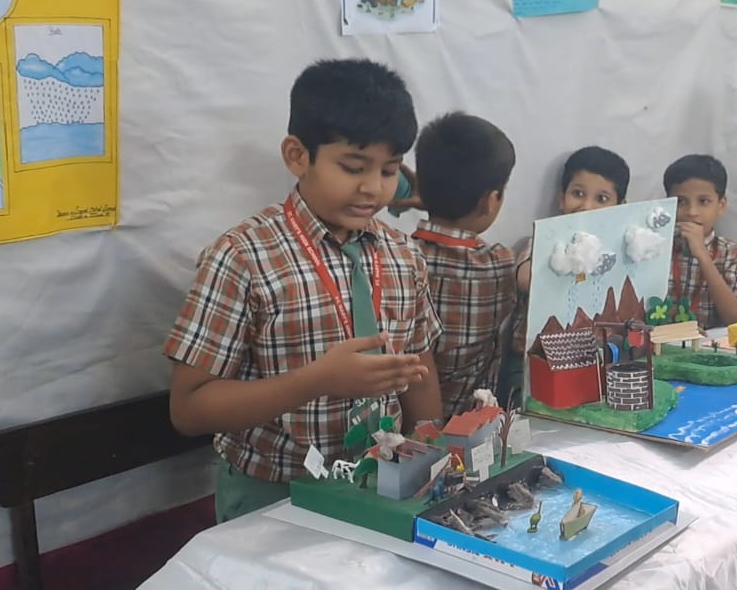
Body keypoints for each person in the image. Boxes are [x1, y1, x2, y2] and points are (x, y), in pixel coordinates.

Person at [165, 59, 444, 523]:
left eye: (390, 170)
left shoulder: (403, 254)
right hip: (273, 498)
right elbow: (189, 408)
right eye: (353, 167)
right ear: (297, 156)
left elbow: (419, 369)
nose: (373, 188)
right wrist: (316, 381)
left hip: (382, 484)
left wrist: (430, 451)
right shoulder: (243, 257)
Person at [498, 146, 631, 403]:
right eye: (578, 194)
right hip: (532, 364)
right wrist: (569, 261)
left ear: (620, 207)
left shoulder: (618, 254)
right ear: (561, 198)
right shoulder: (544, 241)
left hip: (590, 363)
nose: (586, 206)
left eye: (602, 198)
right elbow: (525, 279)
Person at [411, 111, 519, 417]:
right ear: (490, 201)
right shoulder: (499, 263)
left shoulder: (400, 256)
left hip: (407, 422)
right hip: (472, 419)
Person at [662, 154, 737, 328]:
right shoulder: (656, 249)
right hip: (664, 340)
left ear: (721, 205)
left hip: (714, 342)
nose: (692, 212)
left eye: (703, 201)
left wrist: (703, 256)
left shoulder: (733, 254)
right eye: (681, 202)